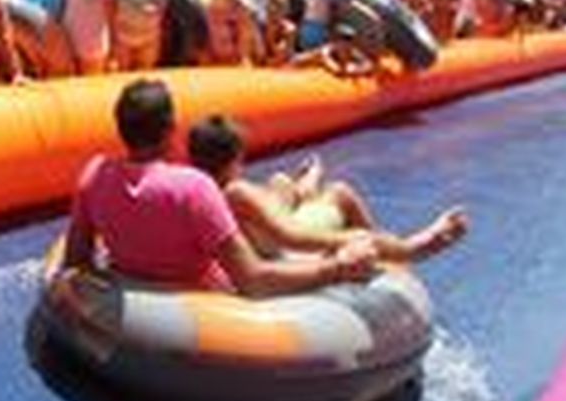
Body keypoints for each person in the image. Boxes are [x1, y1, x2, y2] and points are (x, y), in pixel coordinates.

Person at [61, 79, 376, 295]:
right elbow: (253, 280)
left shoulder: (94, 175)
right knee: (335, 196)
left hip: (136, 295)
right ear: (171, 131)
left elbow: (75, 260)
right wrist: (335, 269)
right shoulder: (193, 188)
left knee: (282, 191)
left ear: (121, 129)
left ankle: (303, 185)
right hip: (208, 309)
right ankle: (387, 261)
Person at [187, 115, 467, 265]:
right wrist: (355, 240)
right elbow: (293, 238)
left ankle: (306, 182)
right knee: (341, 192)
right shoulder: (237, 191)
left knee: (280, 182)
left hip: (266, 234)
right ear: (236, 158)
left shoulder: (198, 189)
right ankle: (406, 251)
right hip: (281, 250)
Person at [205, 0, 260, 65]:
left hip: (236, 64)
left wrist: (245, 59)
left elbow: (247, 42)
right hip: (210, 65)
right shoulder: (207, 11)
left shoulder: (242, 11)